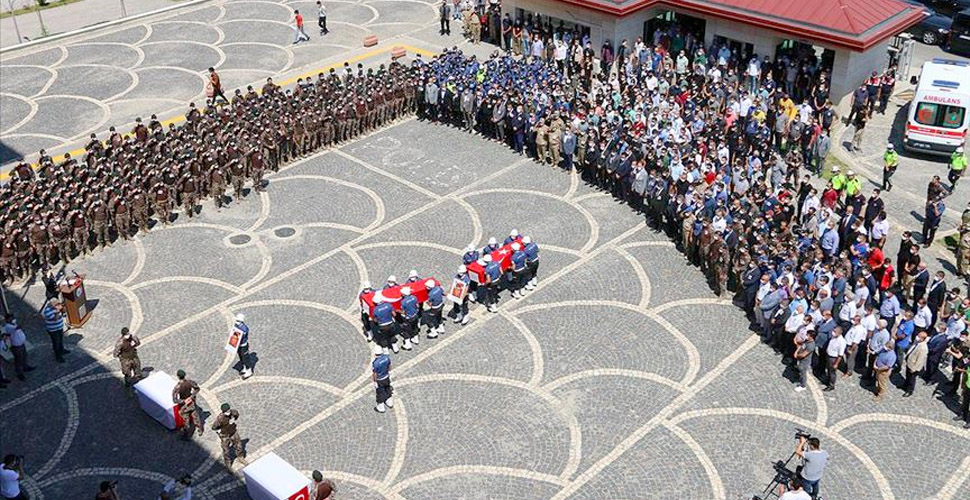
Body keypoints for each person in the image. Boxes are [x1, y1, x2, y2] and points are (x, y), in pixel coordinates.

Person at [211, 403, 247, 468]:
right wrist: (219, 431)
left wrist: (234, 419)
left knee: (239, 445)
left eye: (228, 410)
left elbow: (237, 414)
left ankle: (240, 457)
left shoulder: (233, 412)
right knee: (226, 450)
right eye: (226, 411)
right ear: (223, 411)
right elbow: (214, 427)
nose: (228, 412)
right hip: (224, 435)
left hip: (233, 431)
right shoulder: (220, 418)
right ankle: (228, 464)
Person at [172, 369, 203, 439]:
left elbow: (175, 400)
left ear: (178, 376)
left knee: (186, 421)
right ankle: (200, 430)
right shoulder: (190, 382)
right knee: (196, 417)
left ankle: (186, 436)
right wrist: (191, 396)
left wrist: (184, 401)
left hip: (184, 406)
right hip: (191, 402)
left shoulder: (177, 387)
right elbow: (197, 389)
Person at [1, 315, 33, 381]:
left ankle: (25, 367)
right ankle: (20, 374)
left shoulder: (13, 323)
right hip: (16, 346)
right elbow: (17, 328)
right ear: (7, 320)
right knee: (18, 360)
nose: (12, 319)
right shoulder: (8, 327)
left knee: (24, 356)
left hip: (21, 344)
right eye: (10, 318)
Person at [903, 330, 928, 397]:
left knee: (911, 379)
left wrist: (914, 369)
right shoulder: (917, 342)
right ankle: (905, 385)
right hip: (910, 361)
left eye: (919, 337)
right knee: (907, 376)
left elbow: (920, 360)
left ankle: (909, 390)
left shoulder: (923, 348)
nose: (917, 337)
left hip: (913, 366)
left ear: (923, 339)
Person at [371, 344, 393, 413]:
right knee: (387, 388)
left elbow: (375, 374)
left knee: (380, 392)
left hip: (380, 379)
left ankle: (381, 406)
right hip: (386, 376)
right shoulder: (386, 357)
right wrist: (389, 372)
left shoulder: (375, 363)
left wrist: (375, 382)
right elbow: (389, 366)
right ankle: (389, 401)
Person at [233, 313, 253, 379]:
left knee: (245, 358)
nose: (237, 322)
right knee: (241, 356)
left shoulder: (244, 328)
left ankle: (249, 370)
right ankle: (244, 367)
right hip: (238, 345)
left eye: (238, 321)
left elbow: (241, 335)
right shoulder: (236, 325)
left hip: (243, 345)